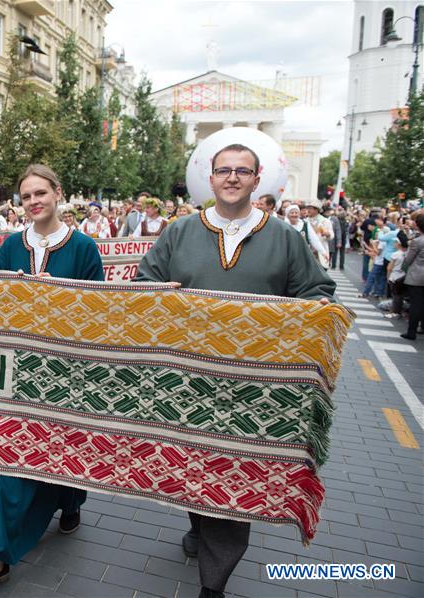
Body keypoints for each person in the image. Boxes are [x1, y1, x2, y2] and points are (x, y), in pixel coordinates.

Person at [135, 143, 335, 598]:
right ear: (210, 178)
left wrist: (319, 307)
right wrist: (156, 293)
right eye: (223, 170)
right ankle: (199, 524)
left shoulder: (284, 237)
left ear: (257, 177)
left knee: (234, 475)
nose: (231, 178)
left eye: (242, 171)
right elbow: (144, 284)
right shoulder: (179, 231)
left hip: (253, 388)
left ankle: (214, 581)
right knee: (192, 466)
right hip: (187, 380)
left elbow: (316, 290)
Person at [0, 165, 102, 592]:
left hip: (64, 369)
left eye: (41, 193)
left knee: (59, 447)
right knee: (2, 455)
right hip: (16, 369)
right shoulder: (9, 247)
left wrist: (59, 296)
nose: (34, 201)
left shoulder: (82, 247)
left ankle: (69, 498)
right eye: (26, 196)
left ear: (58, 194)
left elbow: (100, 311)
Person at [401, 212, 424, 340]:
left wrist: (402, 270)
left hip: (416, 275)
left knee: (416, 304)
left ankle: (411, 331)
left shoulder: (417, 241)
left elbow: (408, 259)